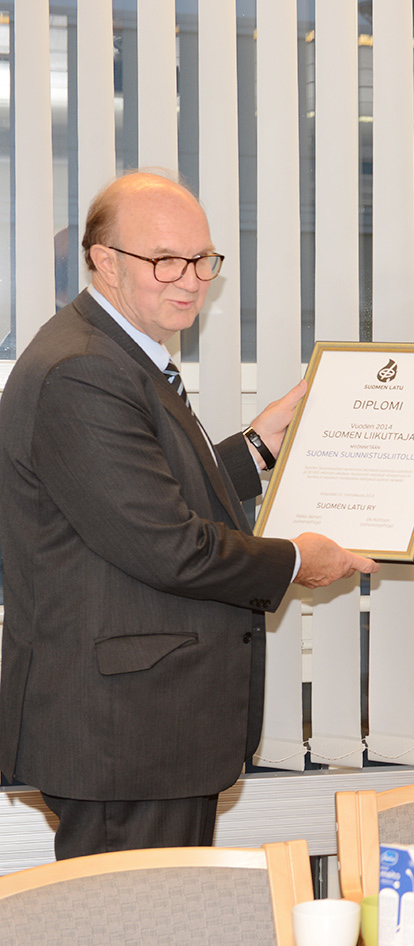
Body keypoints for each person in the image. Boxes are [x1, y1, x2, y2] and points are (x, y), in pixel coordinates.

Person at [0, 170, 379, 859]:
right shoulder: (84, 369)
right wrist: (298, 559)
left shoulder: (118, 353)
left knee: (154, 905)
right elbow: (169, 546)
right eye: (165, 260)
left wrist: (257, 447)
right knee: (135, 910)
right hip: (126, 731)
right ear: (105, 260)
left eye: (202, 259)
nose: (191, 280)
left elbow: (140, 500)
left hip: (144, 724)